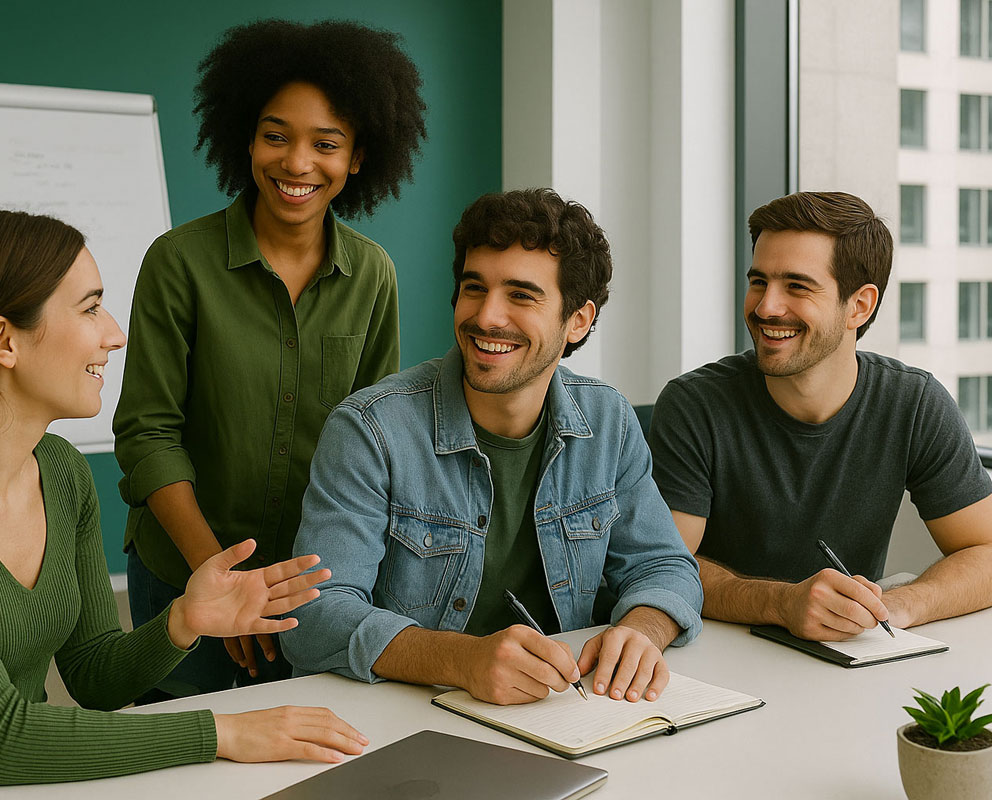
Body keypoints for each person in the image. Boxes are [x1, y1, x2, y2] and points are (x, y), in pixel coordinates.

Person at [0, 210, 367, 783]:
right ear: (2, 340)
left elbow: (91, 677)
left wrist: (184, 620)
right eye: (89, 308)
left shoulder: (61, 472)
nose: (115, 333)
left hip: (20, 776)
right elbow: (2, 740)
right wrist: (226, 733)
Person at [280, 189, 702, 706]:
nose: (487, 317)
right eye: (474, 288)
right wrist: (461, 660)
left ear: (579, 320)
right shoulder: (370, 430)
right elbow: (314, 613)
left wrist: (642, 631)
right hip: (407, 716)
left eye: (521, 295)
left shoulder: (607, 420)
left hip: (571, 710)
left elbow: (665, 566)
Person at [113, 19, 427, 698]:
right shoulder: (179, 262)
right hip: (183, 571)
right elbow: (148, 433)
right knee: (178, 749)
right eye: (276, 135)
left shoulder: (373, 275)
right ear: (245, 137)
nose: (296, 163)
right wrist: (218, 581)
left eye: (326, 144)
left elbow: (378, 445)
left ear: (359, 157)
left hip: (310, 585)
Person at [647, 191, 992, 642]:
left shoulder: (914, 403)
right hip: (717, 652)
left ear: (859, 306)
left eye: (797, 286)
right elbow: (662, 568)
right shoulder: (694, 405)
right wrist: (781, 603)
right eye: (759, 281)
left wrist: (896, 606)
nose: (766, 307)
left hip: (847, 657)